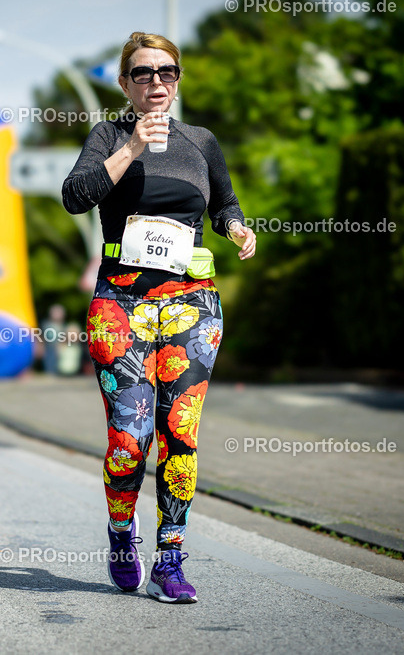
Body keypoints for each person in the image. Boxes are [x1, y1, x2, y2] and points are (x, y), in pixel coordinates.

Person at [62, 32, 257, 603]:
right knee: (130, 437)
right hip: (120, 302)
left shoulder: (201, 141)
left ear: (177, 79)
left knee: (180, 433)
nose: (156, 82)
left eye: (166, 71)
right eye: (143, 73)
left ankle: (170, 560)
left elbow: (224, 202)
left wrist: (237, 227)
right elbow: (75, 196)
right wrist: (132, 147)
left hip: (191, 303)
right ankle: (122, 534)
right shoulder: (108, 136)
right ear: (125, 83)